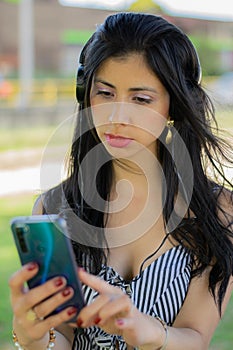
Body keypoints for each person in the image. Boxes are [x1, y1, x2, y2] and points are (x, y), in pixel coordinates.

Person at [9, 12, 233, 350]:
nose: (117, 117)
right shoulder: (55, 209)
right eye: (105, 93)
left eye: (141, 99)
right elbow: (61, 338)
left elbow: (196, 338)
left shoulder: (219, 212)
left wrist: (150, 331)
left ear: (174, 104)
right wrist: (34, 336)